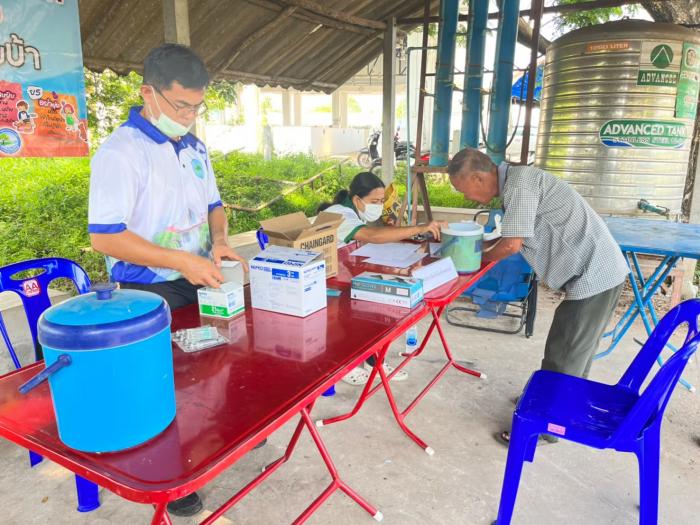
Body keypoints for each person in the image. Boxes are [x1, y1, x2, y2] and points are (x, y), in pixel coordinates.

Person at [88, 44, 254, 518]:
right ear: (148, 93)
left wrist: (219, 239)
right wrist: (179, 260)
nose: (189, 115)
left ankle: (212, 442)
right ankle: (172, 477)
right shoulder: (122, 153)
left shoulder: (194, 146)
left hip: (200, 272)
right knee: (168, 381)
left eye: (197, 106)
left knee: (215, 364)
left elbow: (213, 205)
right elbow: (105, 237)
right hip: (148, 286)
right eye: (181, 105)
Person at [447, 148, 628, 445]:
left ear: (478, 177)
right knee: (575, 349)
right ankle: (554, 400)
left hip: (594, 275)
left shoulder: (519, 184)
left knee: (566, 350)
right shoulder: (518, 182)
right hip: (599, 270)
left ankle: (547, 424)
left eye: (463, 189)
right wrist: (475, 246)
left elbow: (511, 246)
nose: (466, 197)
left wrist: (472, 262)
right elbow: (509, 236)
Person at [318, 171, 447, 385]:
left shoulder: (354, 212)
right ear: (357, 199)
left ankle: (372, 360)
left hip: (343, 269)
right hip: (326, 277)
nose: (378, 206)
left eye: (381, 201)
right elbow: (371, 236)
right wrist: (419, 228)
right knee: (361, 310)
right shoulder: (338, 214)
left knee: (373, 307)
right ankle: (343, 365)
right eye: (374, 201)